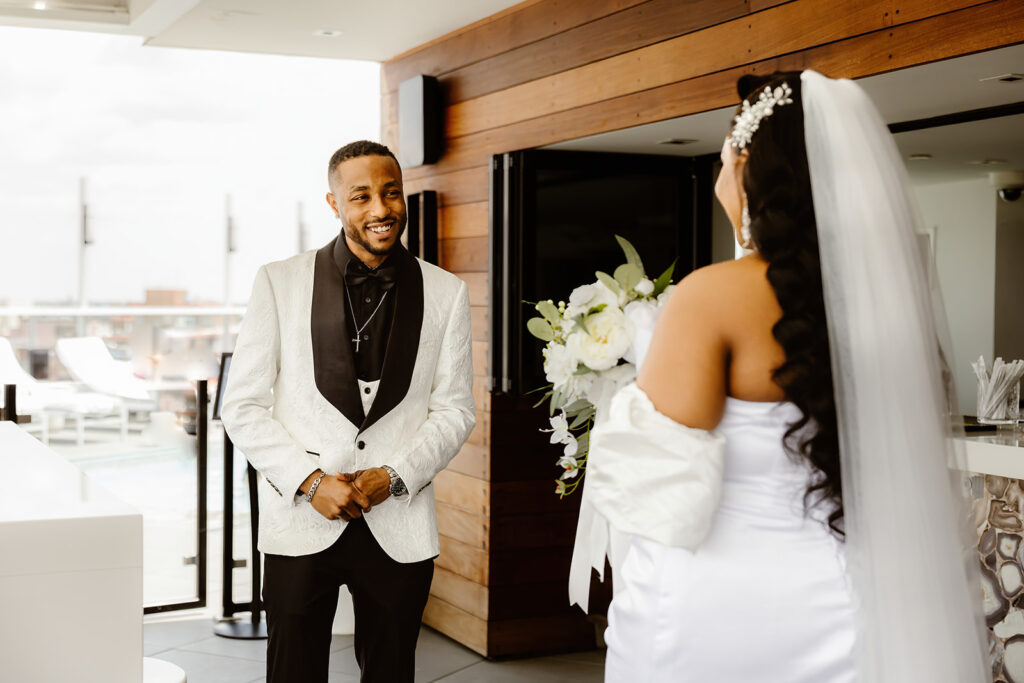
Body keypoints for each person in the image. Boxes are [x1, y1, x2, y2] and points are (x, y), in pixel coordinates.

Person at [570, 72, 989, 682]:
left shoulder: (712, 296)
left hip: (722, 611)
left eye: (720, 162)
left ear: (745, 166)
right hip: (857, 605)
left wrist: (620, 399)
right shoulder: (893, 312)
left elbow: (656, 485)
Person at [221, 140, 475, 683]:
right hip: (302, 516)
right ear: (335, 203)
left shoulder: (447, 292)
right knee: (293, 671)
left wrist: (395, 476)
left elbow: (455, 411)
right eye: (361, 196)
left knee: (390, 672)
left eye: (390, 193)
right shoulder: (278, 280)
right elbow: (241, 406)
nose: (380, 210)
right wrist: (311, 482)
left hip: (398, 520)